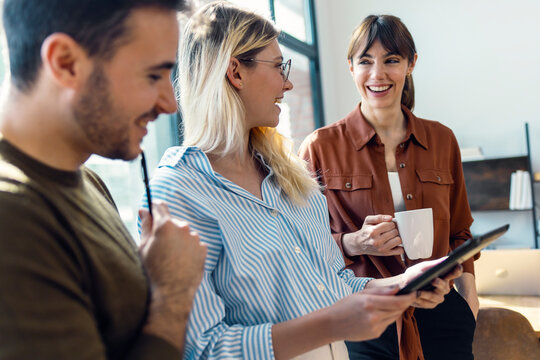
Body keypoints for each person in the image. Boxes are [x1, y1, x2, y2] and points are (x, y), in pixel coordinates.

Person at [144, 3, 462, 359]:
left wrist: (402, 284)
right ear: (235, 72)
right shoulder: (178, 193)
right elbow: (200, 349)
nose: (288, 81)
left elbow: (334, 284)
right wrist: (334, 324)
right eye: (279, 66)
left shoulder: (292, 178)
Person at [0, 0, 207, 359]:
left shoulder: (88, 184)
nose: (170, 104)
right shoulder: (11, 216)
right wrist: (172, 294)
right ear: (66, 63)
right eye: (153, 76)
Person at [299, 14, 478, 360]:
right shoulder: (318, 148)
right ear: (350, 67)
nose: (377, 74)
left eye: (391, 60)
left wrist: (469, 296)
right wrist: (354, 242)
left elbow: (461, 232)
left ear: (411, 64)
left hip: (442, 312)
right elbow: (303, 250)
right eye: (365, 61)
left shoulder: (442, 139)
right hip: (364, 319)